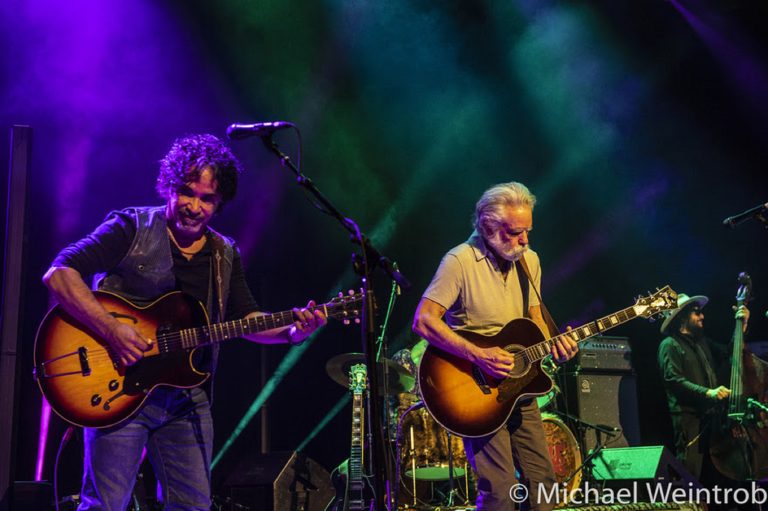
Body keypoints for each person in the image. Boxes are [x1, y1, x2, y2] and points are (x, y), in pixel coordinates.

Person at [42, 134, 327, 510]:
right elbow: (60, 273)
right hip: (118, 389)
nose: (194, 206)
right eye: (187, 193)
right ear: (169, 186)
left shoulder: (224, 254)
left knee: (194, 506)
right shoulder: (132, 227)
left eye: (207, 199)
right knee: (105, 505)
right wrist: (112, 330)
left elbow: (248, 319)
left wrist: (294, 331)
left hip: (186, 400)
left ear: (220, 200)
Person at [412, 182, 578, 511]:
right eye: (516, 232)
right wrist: (479, 354)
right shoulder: (458, 261)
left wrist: (555, 347)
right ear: (489, 227)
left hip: (520, 385)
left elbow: (534, 318)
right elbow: (424, 321)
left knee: (542, 482)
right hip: (474, 389)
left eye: (528, 230)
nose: (525, 240)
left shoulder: (529, 260)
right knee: (501, 490)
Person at [657, 293, 749, 482]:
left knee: (718, 477)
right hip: (689, 423)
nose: (702, 316)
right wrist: (708, 392)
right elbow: (673, 380)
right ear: (682, 318)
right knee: (691, 478)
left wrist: (743, 325)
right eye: (696, 313)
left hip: (713, 421)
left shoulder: (702, 342)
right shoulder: (669, 345)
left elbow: (729, 353)